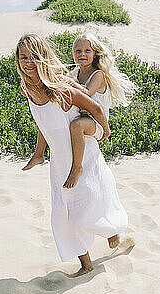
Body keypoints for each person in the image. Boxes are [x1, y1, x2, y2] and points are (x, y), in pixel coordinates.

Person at [16, 33, 130, 277]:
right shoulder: (27, 89)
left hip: (82, 156)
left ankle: (113, 234)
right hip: (59, 161)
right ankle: (86, 264)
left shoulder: (62, 87)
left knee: (89, 205)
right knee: (64, 214)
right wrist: (38, 153)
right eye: (23, 57)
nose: (27, 62)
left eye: (33, 57)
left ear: (43, 58)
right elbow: (43, 122)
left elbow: (96, 108)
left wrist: (104, 132)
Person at [22, 33, 137, 191]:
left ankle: (77, 168)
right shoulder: (75, 73)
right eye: (78, 51)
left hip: (96, 121)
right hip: (83, 116)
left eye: (87, 51)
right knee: (49, 118)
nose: (82, 54)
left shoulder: (99, 75)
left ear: (95, 53)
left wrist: (106, 128)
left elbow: (87, 94)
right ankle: (38, 154)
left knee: (77, 126)